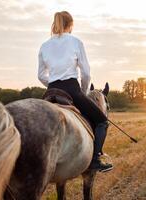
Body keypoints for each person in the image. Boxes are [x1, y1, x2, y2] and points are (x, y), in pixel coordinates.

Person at [38, 11, 113, 172]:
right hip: (72, 90)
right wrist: (83, 92)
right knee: (102, 121)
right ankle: (94, 160)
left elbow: (40, 75)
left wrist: (52, 84)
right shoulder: (76, 42)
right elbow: (86, 73)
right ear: (70, 25)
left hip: (51, 91)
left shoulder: (44, 46)